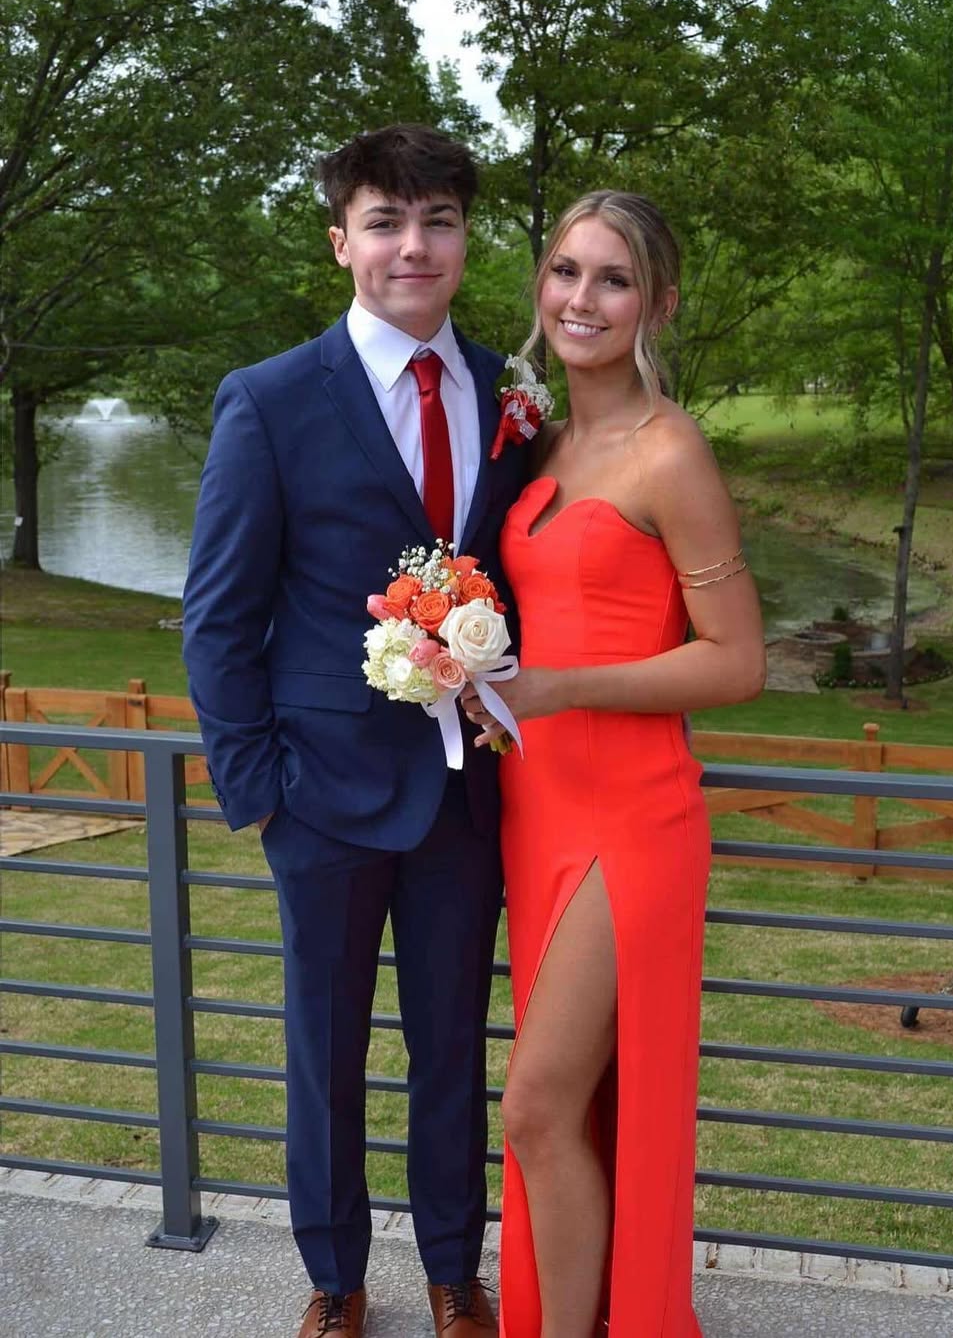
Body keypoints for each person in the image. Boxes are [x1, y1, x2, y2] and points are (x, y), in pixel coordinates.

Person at [182, 124, 529, 1338]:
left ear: (465, 240)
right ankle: (334, 1281)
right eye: (386, 222)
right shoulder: (272, 400)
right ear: (342, 243)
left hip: (468, 797)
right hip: (320, 795)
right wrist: (260, 791)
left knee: (453, 1051)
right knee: (325, 1055)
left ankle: (453, 1270)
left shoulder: (512, 397)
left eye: (438, 221)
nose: (412, 246)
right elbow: (218, 617)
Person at [461, 191, 766, 1337]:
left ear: (659, 305)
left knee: (537, 1106)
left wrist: (559, 686)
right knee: (567, 1110)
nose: (583, 298)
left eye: (615, 279)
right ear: (540, 285)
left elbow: (738, 662)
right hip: (534, 806)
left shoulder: (670, 452)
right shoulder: (537, 443)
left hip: (630, 822)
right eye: (566, 271)